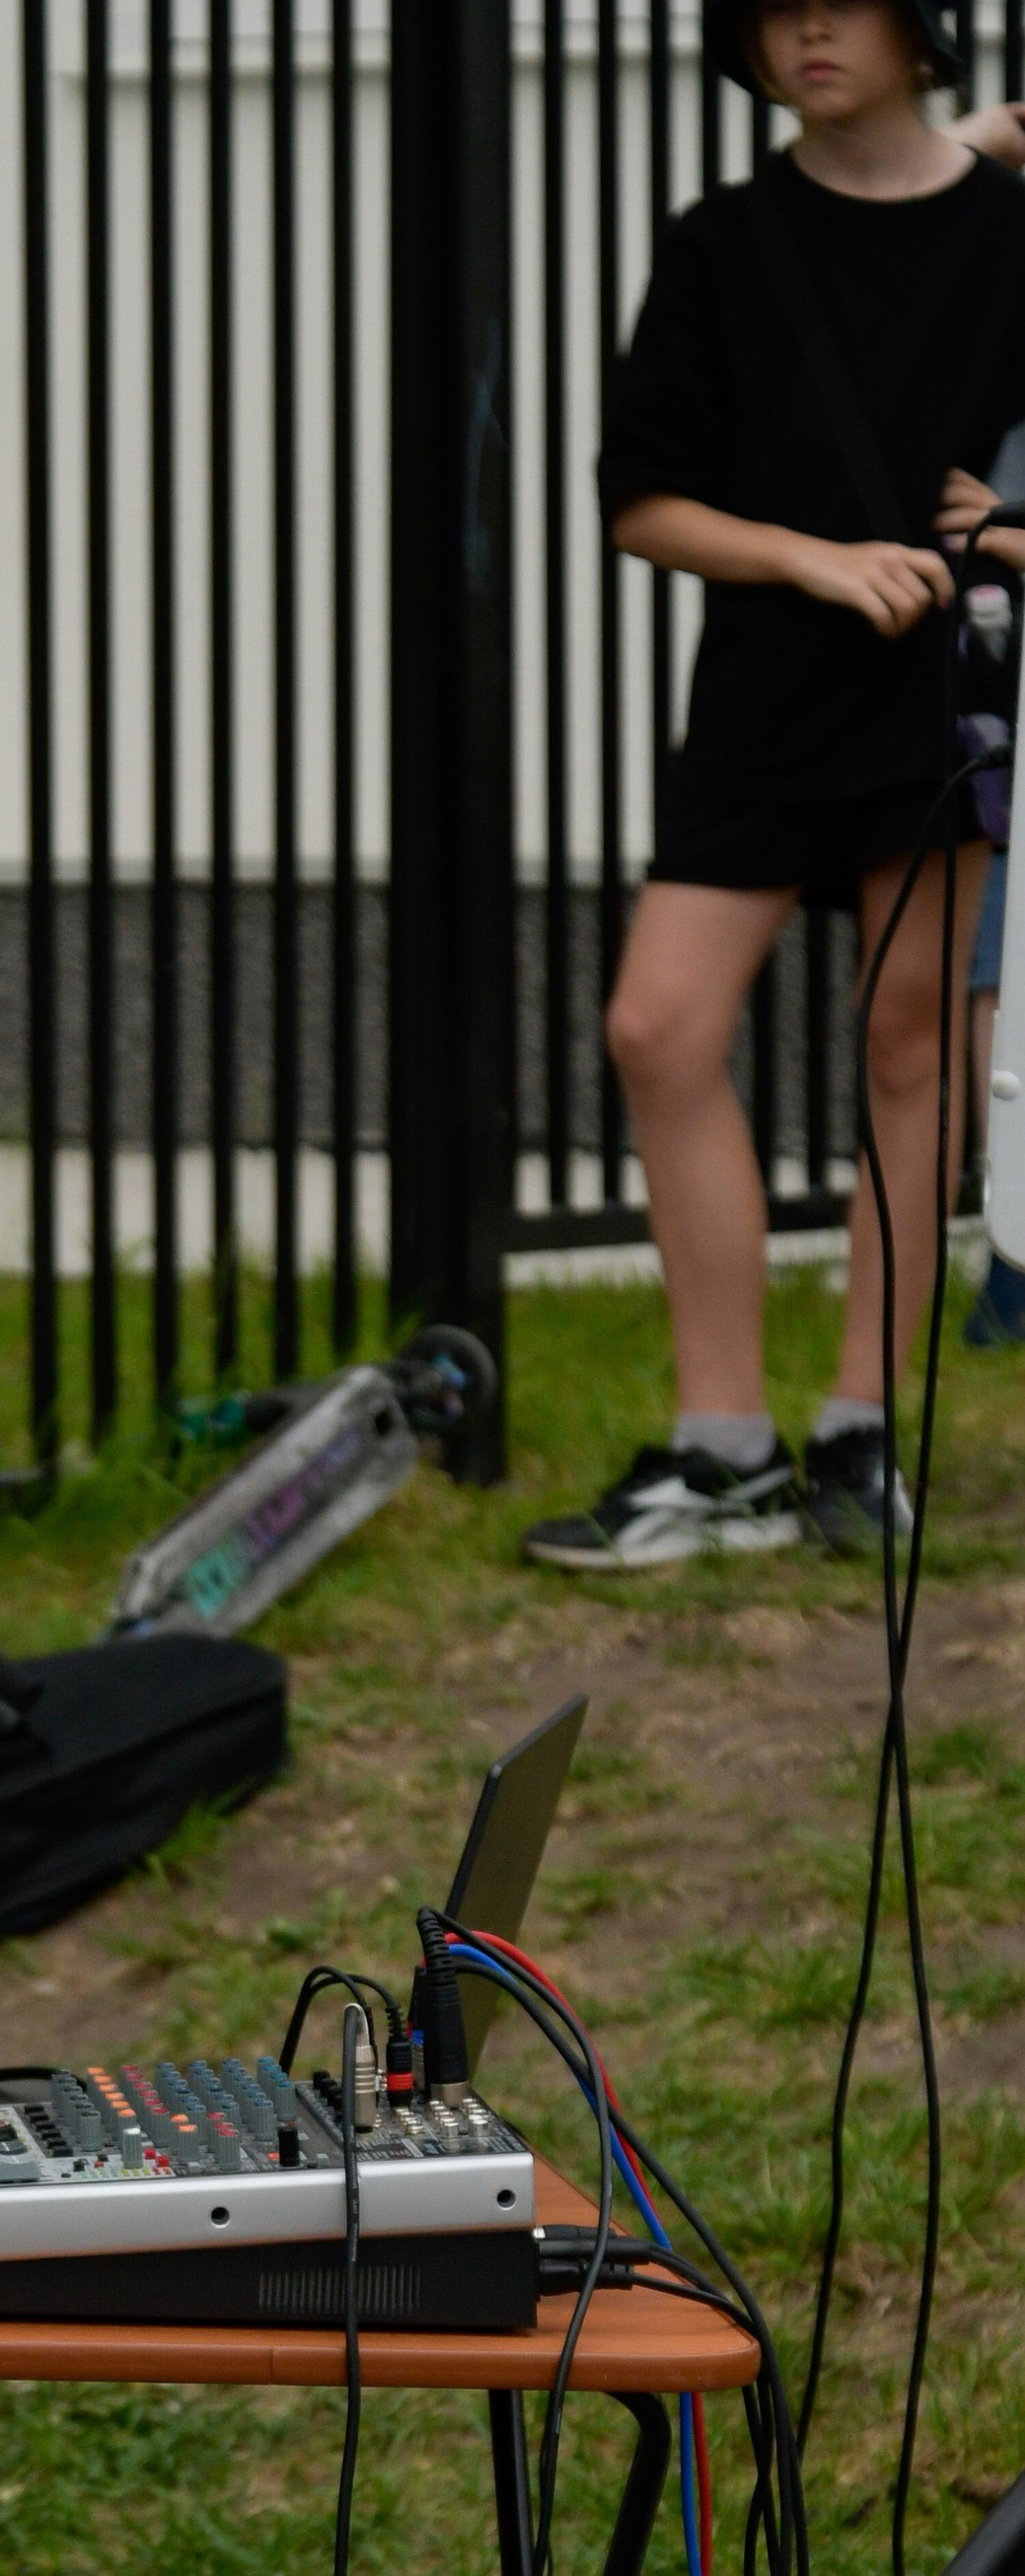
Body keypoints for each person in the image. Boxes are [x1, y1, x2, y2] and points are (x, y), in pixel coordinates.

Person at [525, 0, 1025, 1575]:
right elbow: (642, 501)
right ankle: (720, 1444)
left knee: (909, 1044)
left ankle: (857, 1432)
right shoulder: (723, 241)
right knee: (657, 1024)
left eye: (844, 0)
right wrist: (812, 557)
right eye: (771, 10)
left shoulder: (1010, 230)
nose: (805, 31)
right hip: (763, 697)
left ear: (921, 26)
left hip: (945, 700)